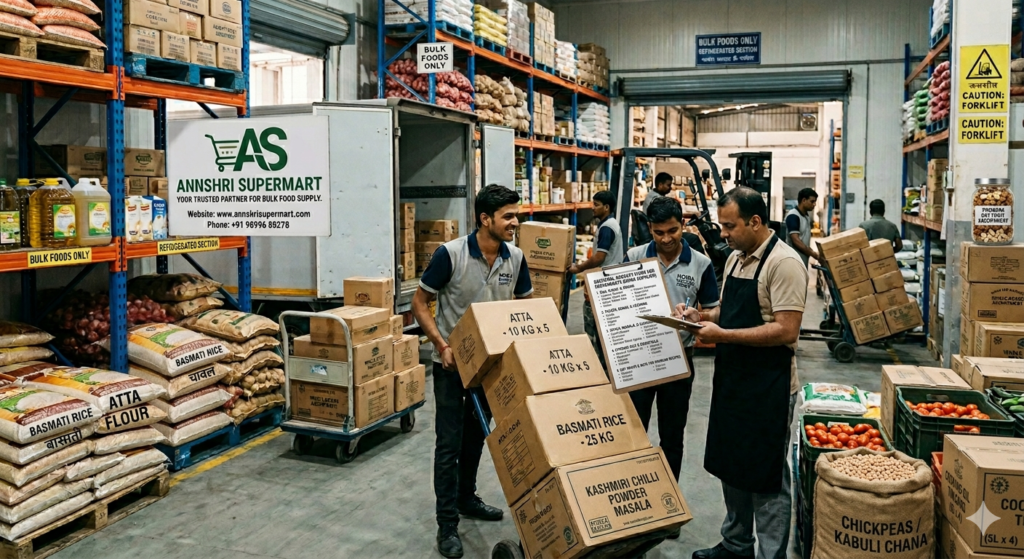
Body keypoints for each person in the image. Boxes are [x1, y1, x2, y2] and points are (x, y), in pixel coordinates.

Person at [681, 186, 807, 559]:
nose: (723, 233)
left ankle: (771, 555)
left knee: (766, 475)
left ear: (755, 221)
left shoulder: (783, 263)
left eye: (729, 226)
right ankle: (737, 544)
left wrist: (723, 335)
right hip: (735, 378)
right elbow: (730, 311)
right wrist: (700, 317)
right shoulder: (738, 257)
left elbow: (786, 330)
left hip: (769, 384)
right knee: (731, 464)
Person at [412, 184, 533, 559]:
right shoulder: (450, 255)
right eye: (508, 216)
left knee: (477, 438)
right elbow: (420, 303)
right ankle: (447, 523)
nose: (516, 222)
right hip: (451, 365)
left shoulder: (516, 257)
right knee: (448, 444)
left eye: (516, 214)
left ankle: (466, 498)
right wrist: (441, 345)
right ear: (485, 219)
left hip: (490, 368)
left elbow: (524, 307)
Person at [624, 196, 719, 537]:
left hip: (678, 362)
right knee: (633, 436)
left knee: (672, 437)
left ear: (683, 225)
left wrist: (700, 316)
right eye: (658, 231)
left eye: (673, 231)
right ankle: (634, 506)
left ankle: (667, 506)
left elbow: (714, 309)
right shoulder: (634, 258)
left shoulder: (702, 264)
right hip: (637, 360)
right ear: (649, 228)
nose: (666, 238)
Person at [568, 190, 624, 369]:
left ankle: (598, 371)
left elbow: (599, 257)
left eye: (597, 204)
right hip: (608, 283)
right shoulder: (610, 224)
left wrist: (578, 268)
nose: (593, 208)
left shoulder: (607, 228)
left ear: (606, 207)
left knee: (594, 331)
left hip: (602, 285)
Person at [784, 188, 820, 269]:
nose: (814, 204)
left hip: (802, 260)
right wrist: (814, 254)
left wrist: (812, 252)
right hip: (793, 261)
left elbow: (803, 240)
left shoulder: (806, 216)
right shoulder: (793, 216)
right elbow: (796, 241)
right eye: (812, 201)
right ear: (804, 200)